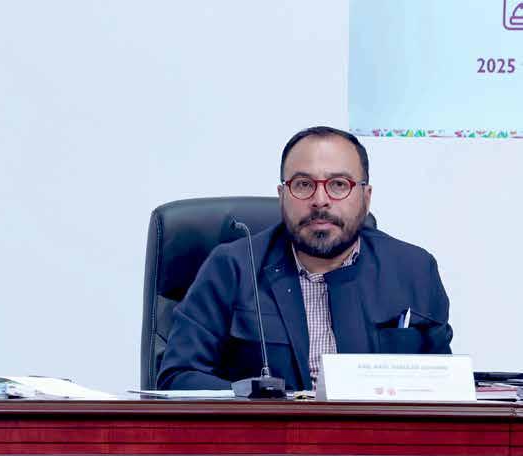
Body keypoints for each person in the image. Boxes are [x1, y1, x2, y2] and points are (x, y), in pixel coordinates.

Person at [157, 126, 452, 392]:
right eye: (303, 184)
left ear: (366, 196)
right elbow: (178, 376)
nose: (320, 200)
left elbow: (446, 387)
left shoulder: (414, 270)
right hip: (268, 434)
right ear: (282, 195)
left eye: (339, 184)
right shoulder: (233, 268)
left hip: (376, 435)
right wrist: (263, 403)